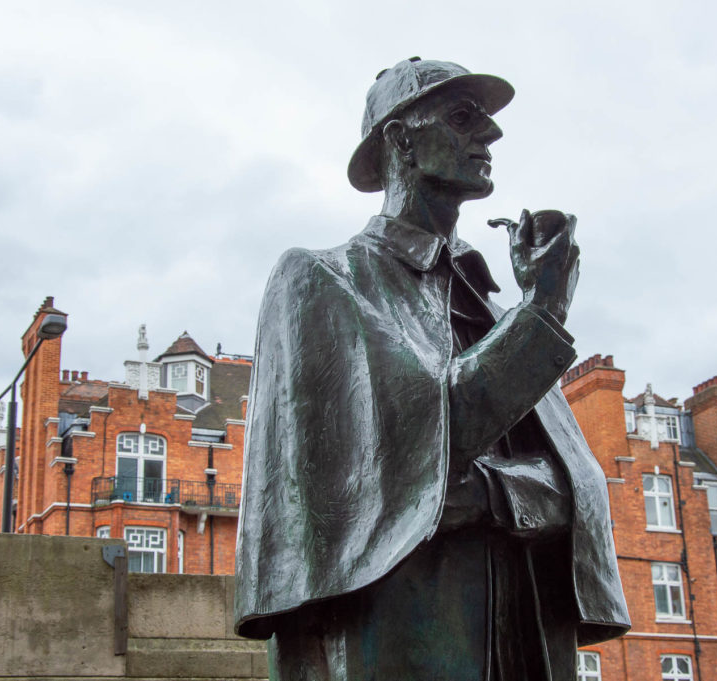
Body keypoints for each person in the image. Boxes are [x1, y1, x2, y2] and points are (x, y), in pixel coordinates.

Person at [234, 57, 630, 681]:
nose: (490, 135)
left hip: (526, 626)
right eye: (462, 117)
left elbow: (581, 489)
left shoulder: (496, 310)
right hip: (401, 633)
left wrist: (494, 494)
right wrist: (544, 312)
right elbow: (416, 448)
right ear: (401, 141)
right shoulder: (321, 280)